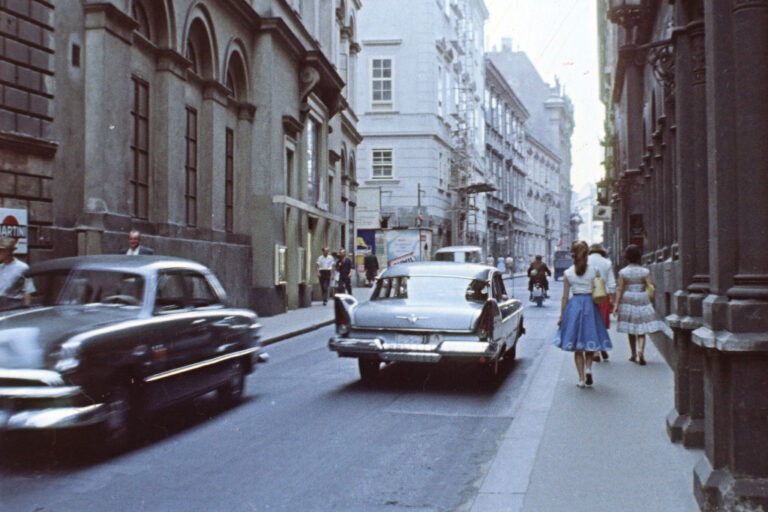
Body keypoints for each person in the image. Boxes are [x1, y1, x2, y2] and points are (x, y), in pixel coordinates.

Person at [552, 241, 612, 388]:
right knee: (590, 340)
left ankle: (581, 378)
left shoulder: (568, 273)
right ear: (586, 254)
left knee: (578, 347)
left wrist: (561, 317)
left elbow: (565, 297)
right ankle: (589, 368)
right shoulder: (594, 271)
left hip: (575, 306)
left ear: (572, 254)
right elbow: (598, 289)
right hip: (591, 307)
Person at [612, 244, 673, 366]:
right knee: (642, 327)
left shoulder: (623, 272)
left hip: (628, 297)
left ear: (627, 257)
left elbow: (620, 289)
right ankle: (641, 350)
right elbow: (651, 285)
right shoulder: (645, 271)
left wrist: (616, 305)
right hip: (641, 297)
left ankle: (633, 353)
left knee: (631, 327)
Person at [588, 243, 617, 362]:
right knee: (601, 323)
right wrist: (613, 300)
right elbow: (612, 284)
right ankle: (602, 348)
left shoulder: (585, 261)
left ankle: (595, 351)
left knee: (591, 323)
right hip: (603, 296)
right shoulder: (607, 263)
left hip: (588, 295)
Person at [0, 236, 35, 311]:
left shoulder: (22, 267)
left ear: (9, 251)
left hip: (13, 308)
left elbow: (28, 290)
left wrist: (26, 308)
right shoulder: (0, 267)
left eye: (1, 250)